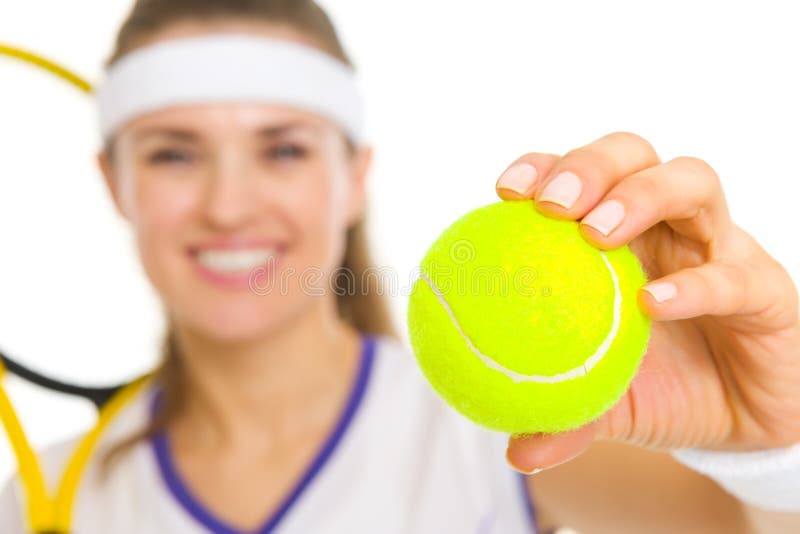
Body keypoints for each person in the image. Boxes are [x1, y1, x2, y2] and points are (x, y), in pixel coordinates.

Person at [2, 1, 799, 533]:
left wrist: (774, 456)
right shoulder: (45, 496)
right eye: (175, 153)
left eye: (282, 148)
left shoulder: (510, 426)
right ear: (115, 184)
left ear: (354, 177)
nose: (229, 204)